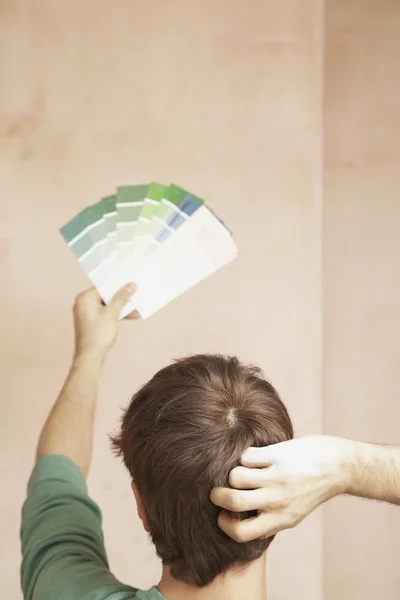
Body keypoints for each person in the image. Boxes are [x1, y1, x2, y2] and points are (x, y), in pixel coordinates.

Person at [20, 286, 400, 600]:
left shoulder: (63, 588)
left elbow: (56, 472)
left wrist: (90, 351)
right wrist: (346, 467)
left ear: (142, 506)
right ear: (281, 500)